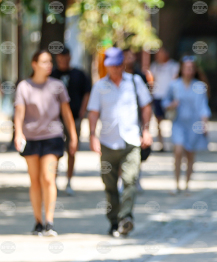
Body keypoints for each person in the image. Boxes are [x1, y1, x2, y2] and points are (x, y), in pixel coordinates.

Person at [87, 47, 153, 238]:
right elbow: (93, 112)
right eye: (111, 65)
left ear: (122, 64)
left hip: (131, 140)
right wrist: (92, 135)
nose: (114, 69)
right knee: (109, 185)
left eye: (117, 65)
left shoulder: (134, 82)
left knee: (130, 180)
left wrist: (146, 130)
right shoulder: (99, 86)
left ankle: (126, 217)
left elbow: (146, 106)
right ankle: (114, 220)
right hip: (108, 142)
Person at [14, 51, 77, 237]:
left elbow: (66, 113)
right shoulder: (24, 86)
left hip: (52, 136)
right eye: (44, 62)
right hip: (31, 137)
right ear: (34, 64)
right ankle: (38, 222)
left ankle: (49, 221)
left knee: (48, 178)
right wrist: (18, 133)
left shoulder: (57, 86)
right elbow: (19, 113)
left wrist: (73, 135)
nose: (49, 65)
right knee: (35, 180)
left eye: (50, 61)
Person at [164, 56, 210, 193]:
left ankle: (187, 184)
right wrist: (171, 105)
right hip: (178, 123)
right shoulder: (174, 85)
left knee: (190, 154)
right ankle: (176, 183)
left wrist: (204, 123)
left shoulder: (200, 86)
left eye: (191, 68)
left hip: (194, 125)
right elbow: (165, 102)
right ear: (181, 69)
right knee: (178, 151)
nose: (188, 71)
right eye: (186, 68)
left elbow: (203, 106)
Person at [51, 47, 92, 196]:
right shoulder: (52, 75)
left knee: (72, 149)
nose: (62, 61)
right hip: (55, 120)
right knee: (55, 151)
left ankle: (69, 180)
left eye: (64, 58)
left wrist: (83, 110)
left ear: (69, 57)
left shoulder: (79, 74)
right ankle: (53, 180)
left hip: (74, 118)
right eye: (59, 58)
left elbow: (87, 92)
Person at [149, 48, 179, 151]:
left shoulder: (174, 66)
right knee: (158, 121)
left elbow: (176, 80)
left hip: (169, 96)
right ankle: (161, 144)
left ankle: (174, 143)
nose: (158, 56)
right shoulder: (155, 66)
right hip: (158, 96)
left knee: (173, 119)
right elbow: (152, 80)